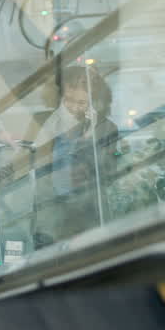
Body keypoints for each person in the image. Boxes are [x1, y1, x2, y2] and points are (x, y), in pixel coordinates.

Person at [32, 66, 119, 244]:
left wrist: (89, 135)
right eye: (68, 100)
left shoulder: (105, 128)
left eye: (81, 103)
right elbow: (26, 160)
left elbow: (108, 172)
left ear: (94, 104)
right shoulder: (43, 121)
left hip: (87, 215)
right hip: (50, 215)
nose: (73, 108)